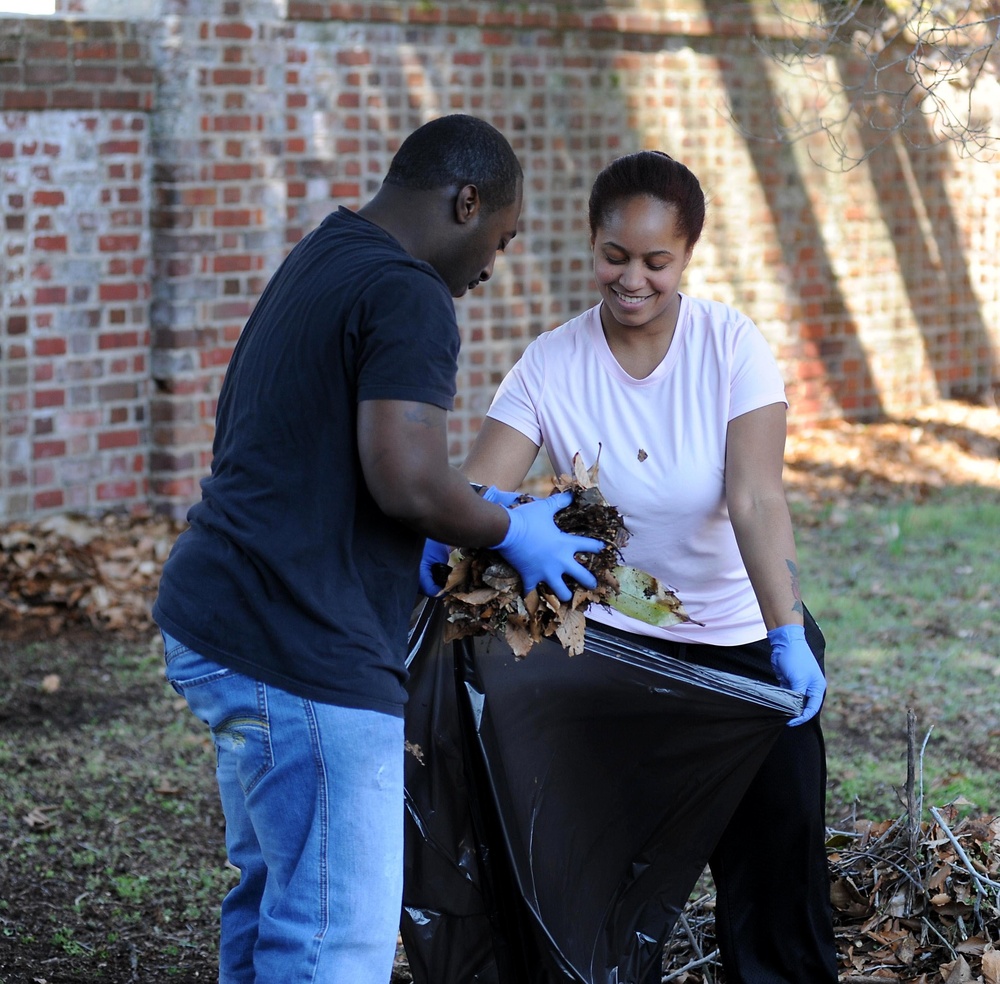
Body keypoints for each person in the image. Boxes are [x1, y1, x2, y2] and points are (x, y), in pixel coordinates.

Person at [151, 114, 603, 984]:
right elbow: (404, 480)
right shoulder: (409, 292)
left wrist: (455, 513)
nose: (489, 271)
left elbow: (326, 449)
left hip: (220, 618)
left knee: (276, 895)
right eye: (500, 242)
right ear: (466, 202)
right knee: (334, 939)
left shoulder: (327, 253)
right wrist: (510, 529)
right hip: (300, 652)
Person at [443, 150, 838, 983]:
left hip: (741, 645)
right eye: (615, 256)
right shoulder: (551, 363)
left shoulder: (731, 346)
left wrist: (785, 630)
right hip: (614, 657)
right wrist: (496, 522)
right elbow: (479, 490)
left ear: (687, 254)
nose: (633, 279)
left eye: (657, 261)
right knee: (603, 882)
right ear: (592, 245)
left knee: (776, 884)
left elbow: (757, 499)